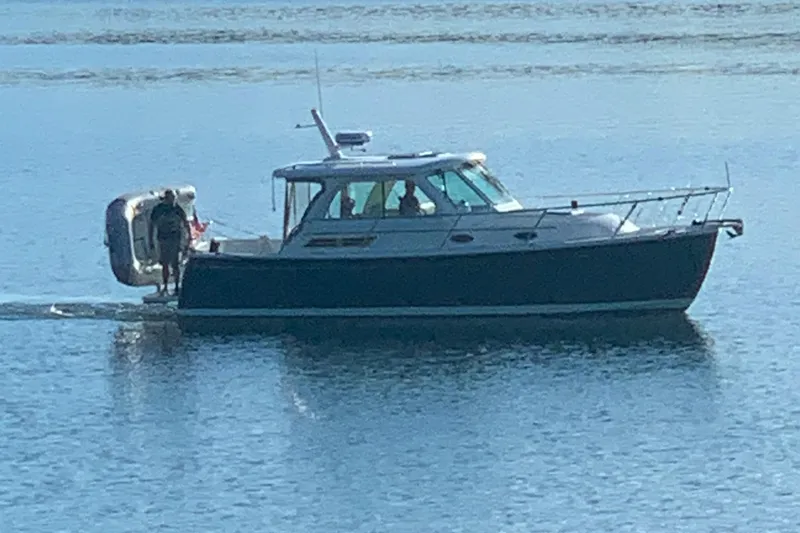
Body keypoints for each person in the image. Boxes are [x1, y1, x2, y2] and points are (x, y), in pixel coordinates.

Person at [149, 189, 192, 296]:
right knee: (164, 263)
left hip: (175, 238)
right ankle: (165, 286)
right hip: (163, 239)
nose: (172, 200)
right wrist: (150, 240)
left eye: (173, 198)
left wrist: (189, 237)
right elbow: (152, 225)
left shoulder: (177, 208)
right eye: (170, 198)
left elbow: (185, 223)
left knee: (175, 263)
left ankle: (176, 286)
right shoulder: (158, 209)